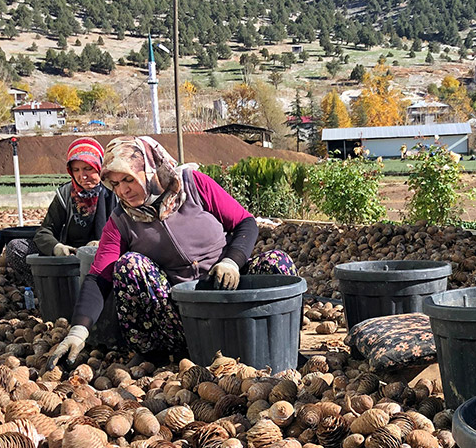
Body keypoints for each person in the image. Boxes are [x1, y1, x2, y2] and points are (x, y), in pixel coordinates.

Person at [46, 136, 295, 366]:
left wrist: (232, 261)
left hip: (230, 291)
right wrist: (79, 329)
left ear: (150, 170)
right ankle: (161, 355)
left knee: (278, 262)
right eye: (115, 184)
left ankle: (280, 345)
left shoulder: (193, 185)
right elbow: (99, 276)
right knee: (129, 266)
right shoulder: (121, 220)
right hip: (180, 313)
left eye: (129, 179)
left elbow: (245, 222)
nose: (122, 190)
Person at [4, 137, 114, 284]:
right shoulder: (65, 194)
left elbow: (130, 231)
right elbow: (44, 231)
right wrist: (57, 247)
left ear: (100, 166)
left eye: (88, 168)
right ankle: (48, 289)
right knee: (16, 248)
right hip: (70, 261)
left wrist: (102, 243)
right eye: (76, 170)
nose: (82, 176)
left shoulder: (115, 191)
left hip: (107, 257)